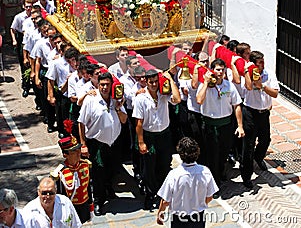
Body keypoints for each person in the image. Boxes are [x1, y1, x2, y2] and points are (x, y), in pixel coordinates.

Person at [78, 71, 127, 216]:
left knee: (112, 169)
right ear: (98, 85)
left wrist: (118, 107)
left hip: (113, 143)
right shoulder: (91, 100)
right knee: (98, 173)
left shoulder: (115, 100)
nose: (104, 87)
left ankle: (108, 189)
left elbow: (124, 120)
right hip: (97, 143)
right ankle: (98, 201)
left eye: (107, 84)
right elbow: (81, 122)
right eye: (102, 85)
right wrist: (83, 144)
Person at [133, 69, 181, 210]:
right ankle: (150, 194)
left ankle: (163, 192)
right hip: (149, 136)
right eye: (151, 82)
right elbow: (139, 123)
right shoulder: (140, 98)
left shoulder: (163, 94)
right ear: (146, 82)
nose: (154, 84)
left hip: (164, 135)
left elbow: (177, 99)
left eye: (156, 81)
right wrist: (141, 142)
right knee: (149, 167)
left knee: (165, 165)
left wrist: (170, 80)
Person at [196, 58, 244, 191]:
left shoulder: (229, 86)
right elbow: (199, 100)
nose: (220, 72)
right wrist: (206, 83)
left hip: (226, 124)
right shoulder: (205, 85)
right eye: (217, 69)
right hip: (210, 125)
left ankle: (220, 173)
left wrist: (240, 125)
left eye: (223, 69)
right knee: (212, 155)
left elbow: (236, 105)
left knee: (223, 152)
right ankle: (214, 183)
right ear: (212, 70)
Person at [157, 137, 218, 227]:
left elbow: (166, 201)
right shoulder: (205, 172)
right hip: (198, 217)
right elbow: (209, 196)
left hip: (179, 219)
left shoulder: (174, 174)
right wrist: (198, 204)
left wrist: (160, 213)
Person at [240, 50, 279, 189]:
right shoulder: (247, 73)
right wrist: (247, 72)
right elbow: (249, 87)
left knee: (265, 140)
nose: (263, 64)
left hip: (264, 113)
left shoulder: (269, 74)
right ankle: (246, 175)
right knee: (248, 145)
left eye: (263, 61)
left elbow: (274, 93)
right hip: (250, 113)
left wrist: (262, 86)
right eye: (260, 62)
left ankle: (258, 157)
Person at [51, 135, 92, 224]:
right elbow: (61, 195)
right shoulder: (61, 172)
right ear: (65, 154)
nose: (78, 153)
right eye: (74, 151)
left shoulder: (85, 165)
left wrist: (90, 205)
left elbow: (88, 187)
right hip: (71, 207)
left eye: (78, 149)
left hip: (84, 205)